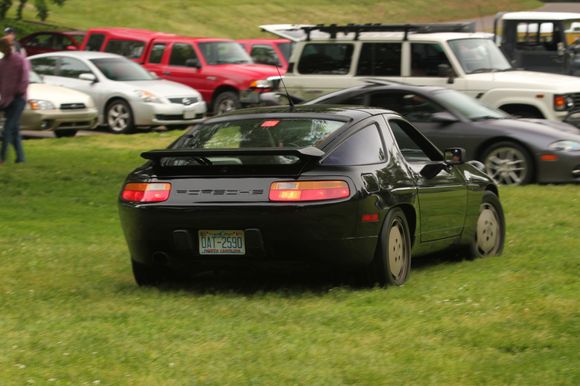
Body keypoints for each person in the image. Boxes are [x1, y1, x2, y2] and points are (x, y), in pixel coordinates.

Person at [0, 36, 29, 164]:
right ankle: (21, 159)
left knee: (8, 128)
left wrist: (19, 92)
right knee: (15, 130)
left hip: (18, 100)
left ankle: (2, 158)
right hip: (7, 101)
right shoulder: (2, 63)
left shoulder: (20, 60)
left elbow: (25, 78)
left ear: (8, 46)